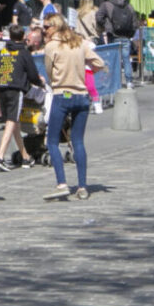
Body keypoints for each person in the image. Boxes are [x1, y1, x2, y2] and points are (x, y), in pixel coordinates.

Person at [41, 17, 106, 202]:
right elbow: (99, 63)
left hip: (62, 94)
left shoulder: (52, 46)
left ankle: (61, 183)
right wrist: (85, 72)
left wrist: (58, 80)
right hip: (81, 95)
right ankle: (83, 187)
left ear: (55, 27)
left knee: (52, 141)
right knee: (78, 141)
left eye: (46, 27)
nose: (44, 30)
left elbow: (49, 70)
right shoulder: (80, 43)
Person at [0, 25, 42, 171]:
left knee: (13, 122)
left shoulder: (3, 51)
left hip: (2, 87)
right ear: (23, 37)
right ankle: (0, 156)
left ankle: (25, 156)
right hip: (15, 88)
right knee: (12, 120)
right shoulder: (23, 53)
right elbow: (32, 73)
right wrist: (39, 83)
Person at [95, 0, 140, 86]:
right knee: (126, 59)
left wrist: (106, 25)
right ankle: (129, 81)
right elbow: (135, 23)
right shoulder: (129, 6)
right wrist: (131, 33)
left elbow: (98, 17)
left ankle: (115, 81)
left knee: (114, 59)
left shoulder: (106, 5)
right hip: (126, 36)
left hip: (113, 35)